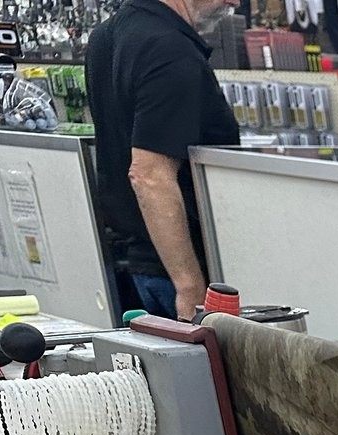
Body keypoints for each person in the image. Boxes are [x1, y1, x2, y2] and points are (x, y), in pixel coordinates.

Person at [85, 0, 241, 320]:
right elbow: (149, 175)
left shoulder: (109, 34)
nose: (236, 3)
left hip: (138, 263)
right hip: (178, 274)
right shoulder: (170, 50)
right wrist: (190, 288)